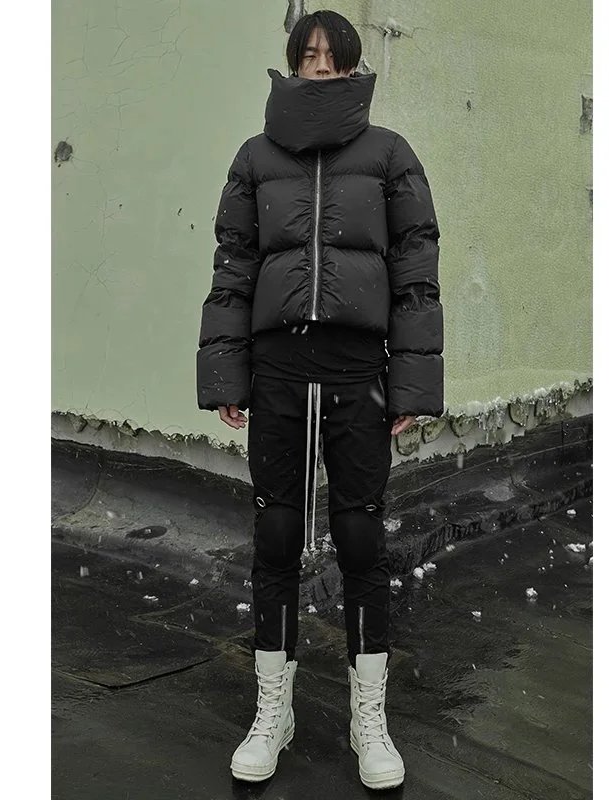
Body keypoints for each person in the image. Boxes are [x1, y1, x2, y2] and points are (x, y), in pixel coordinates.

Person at [196, 9, 443, 790]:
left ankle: (371, 720)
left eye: (334, 57)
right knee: (275, 533)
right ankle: (274, 711)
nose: (321, 68)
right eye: (309, 55)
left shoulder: (389, 155)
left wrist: (411, 383)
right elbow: (234, 266)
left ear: (354, 66)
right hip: (277, 368)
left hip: (355, 370)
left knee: (361, 539)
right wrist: (226, 372)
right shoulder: (254, 157)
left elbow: (416, 272)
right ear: (292, 63)